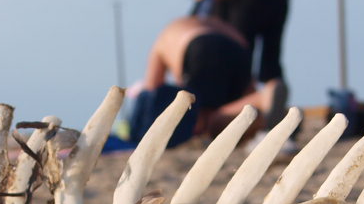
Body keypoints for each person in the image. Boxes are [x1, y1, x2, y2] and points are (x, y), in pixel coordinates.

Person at [115, 15, 286, 150]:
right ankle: (264, 101)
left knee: (205, 120)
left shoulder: (168, 33)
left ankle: (262, 102)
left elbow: (153, 87)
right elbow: (246, 81)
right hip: (238, 49)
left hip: (199, 48)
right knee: (241, 104)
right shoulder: (216, 23)